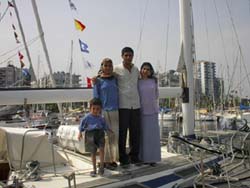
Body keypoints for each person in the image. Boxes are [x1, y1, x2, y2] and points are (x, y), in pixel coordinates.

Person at [114, 47, 141, 167]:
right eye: (126, 55)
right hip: (123, 104)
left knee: (135, 132)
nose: (128, 57)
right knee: (122, 132)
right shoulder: (116, 68)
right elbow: (105, 74)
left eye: (130, 55)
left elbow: (143, 80)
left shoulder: (136, 69)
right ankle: (123, 157)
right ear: (122, 56)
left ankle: (134, 156)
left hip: (135, 104)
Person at [93, 58, 119, 170]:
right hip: (104, 111)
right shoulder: (98, 81)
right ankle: (106, 161)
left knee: (115, 136)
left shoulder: (115, 79)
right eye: (105, 65)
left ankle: (114, 159)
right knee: (107, 136)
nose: (107, 67)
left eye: (109, 65)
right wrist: (97, 112)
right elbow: (96, 96)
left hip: (116, 110)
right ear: (102, 67)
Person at [78, 98, 111, 177]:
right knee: (93, 153)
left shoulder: (101, 117)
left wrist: (108, 130)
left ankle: (102, 167)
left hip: (100, 134)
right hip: (90, 134)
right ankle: (94, 169)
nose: (96, 111)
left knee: (102, 149)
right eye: (94, 109)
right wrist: (80, 133)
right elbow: (81, 125)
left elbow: (104, 125)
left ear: (100, 109)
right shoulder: (86, 117)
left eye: (98, 109)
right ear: (90, 108)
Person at [138, 62, 161, 166]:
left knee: (153, 136)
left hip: (153, 111)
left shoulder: (154, 81)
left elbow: (156, 95)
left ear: (151, 71)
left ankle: (153, 158)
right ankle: (143, 158)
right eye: (144, 69)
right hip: (142, 111)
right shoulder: (137, 82)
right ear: (141, 70)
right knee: (143, 136)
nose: (145, 71)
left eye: (148, 69)